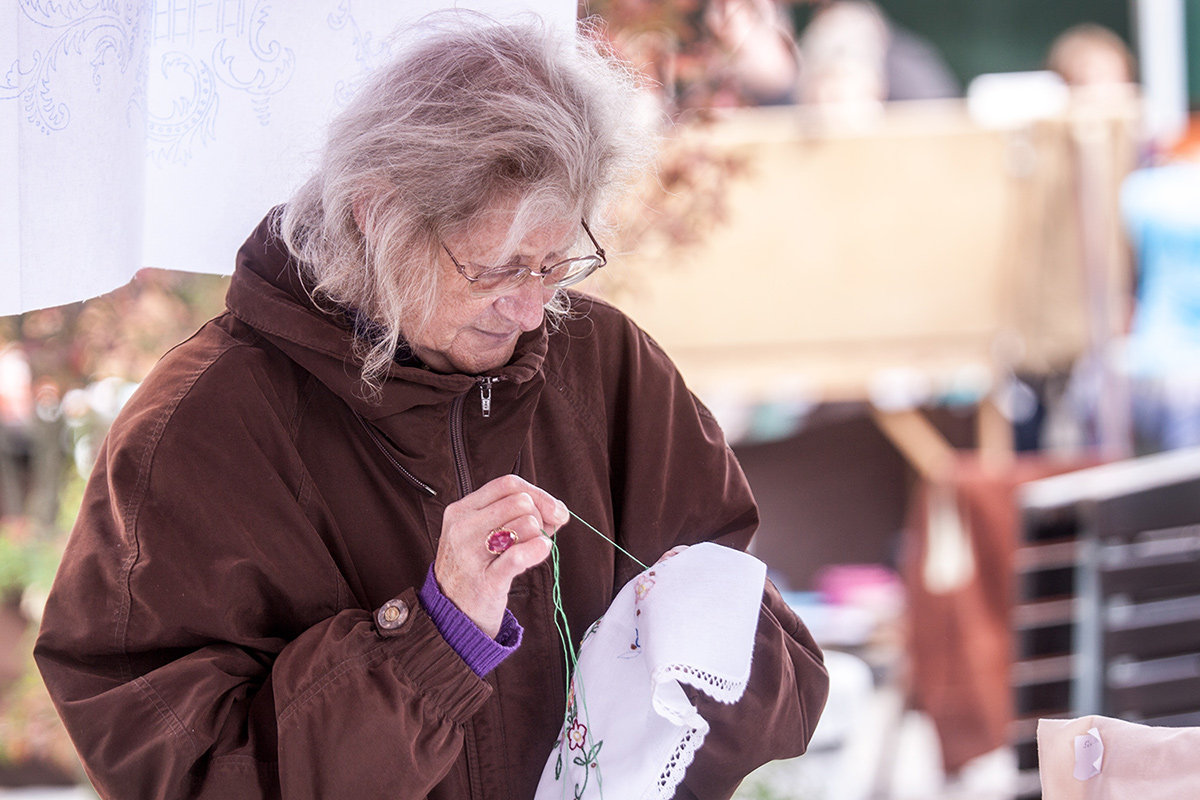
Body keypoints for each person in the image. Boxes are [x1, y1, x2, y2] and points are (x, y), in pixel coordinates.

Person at [33, 14, 829, 800]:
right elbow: (181, 775)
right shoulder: (197, 431)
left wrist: (708, 639)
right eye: (496, 270)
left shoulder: (607, 363)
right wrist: (435, 637)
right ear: (376, 217)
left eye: (555, 265)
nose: (529, 310)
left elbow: (776, 698)